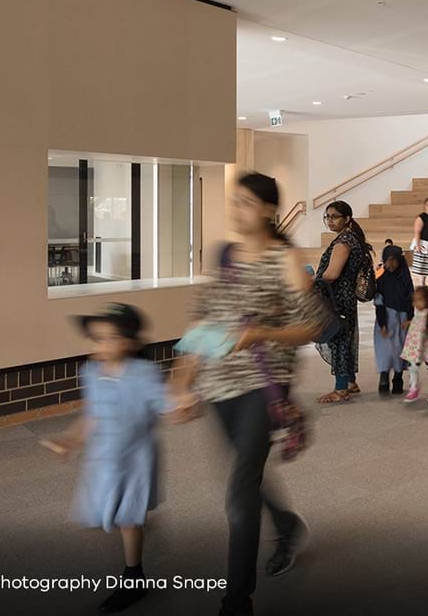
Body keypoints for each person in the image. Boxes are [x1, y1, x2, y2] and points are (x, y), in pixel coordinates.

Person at [173, 172, 320, 616]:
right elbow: (205, 321)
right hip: (219, 382)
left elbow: (312, 325)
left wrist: (263, 332)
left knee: (239, 488)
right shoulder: (227, 255)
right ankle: (286, 524)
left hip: (263, 382)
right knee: (245, 473)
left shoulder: (286, 259)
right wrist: (181, 381)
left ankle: (237, 600)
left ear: (269, 210)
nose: (236, 210)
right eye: (233, 202)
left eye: (246, 203)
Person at [42, 304, 190, 614]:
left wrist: (183, 405)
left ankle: (134, 577)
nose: (100, 345)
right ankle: (134, 534)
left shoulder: (142, 375)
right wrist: (71, 439)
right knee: (105, 513)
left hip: (135, 458)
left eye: (110, 338)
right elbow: (92, 413)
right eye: (96, 338)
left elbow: (167, 405)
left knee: (128, 518)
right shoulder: (91, 371)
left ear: (131, 343)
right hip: (103, 457)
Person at [314, 200, 368, 403]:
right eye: (327, 216)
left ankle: (341, 388)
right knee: (346, 336)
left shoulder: (344, 241)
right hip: (344, 296)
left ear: (347, 219)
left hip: (337, 297)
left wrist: (313, 282)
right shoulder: (352, 238)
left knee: (339, 340)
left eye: (334, 216)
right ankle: (350, 382)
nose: (330, 220)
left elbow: (332, 273)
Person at [375, 244, 414, 394]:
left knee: (400, 351)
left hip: (402, 321)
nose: (390, 264)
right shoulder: (382, 280)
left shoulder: (405, 279)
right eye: (387, 260)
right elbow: (379, 303)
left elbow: (411, 299)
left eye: (394, 260)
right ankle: (383, 379)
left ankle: (398, 379)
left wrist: (410, 318)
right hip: (385, 319)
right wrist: (382, 323)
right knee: (385, 351)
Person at [401, 286, 428, 403]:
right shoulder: (417, 313)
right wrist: (408, 323)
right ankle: (413, 388)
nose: (415, 303)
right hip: (415, 347)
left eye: (419, 300)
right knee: (412, 368)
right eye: (414, 300)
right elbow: (416, 320)